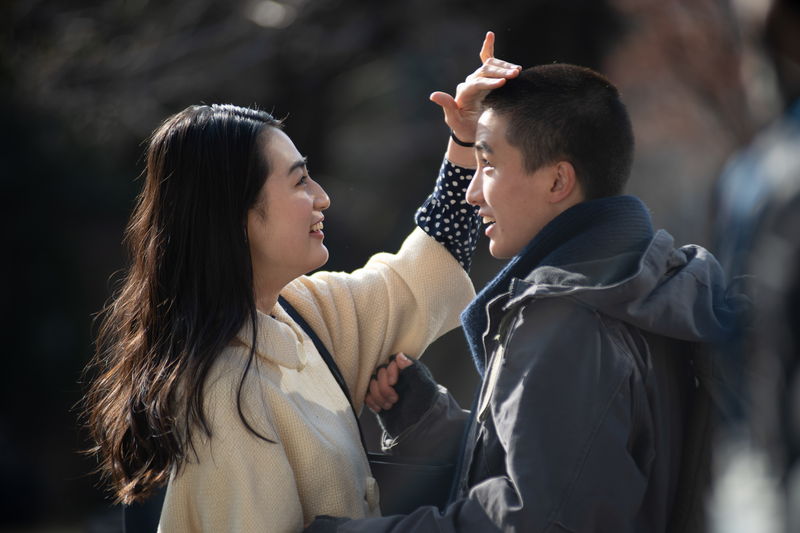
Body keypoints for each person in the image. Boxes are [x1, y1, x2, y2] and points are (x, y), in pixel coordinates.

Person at [83, 34, 523, 531]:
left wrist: (465, 138)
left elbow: (422, 272)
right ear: (234, 216)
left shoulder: (300, 313)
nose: (322, 197)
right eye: (297, 181)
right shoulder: (218, 394)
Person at [307, 48, 744, 532]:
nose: (473, 193)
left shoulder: (569, 320)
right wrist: (426, 421)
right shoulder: (654, 282)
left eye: (488, 165)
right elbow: (573, 473)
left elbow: (529, 520)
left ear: (558, 180)